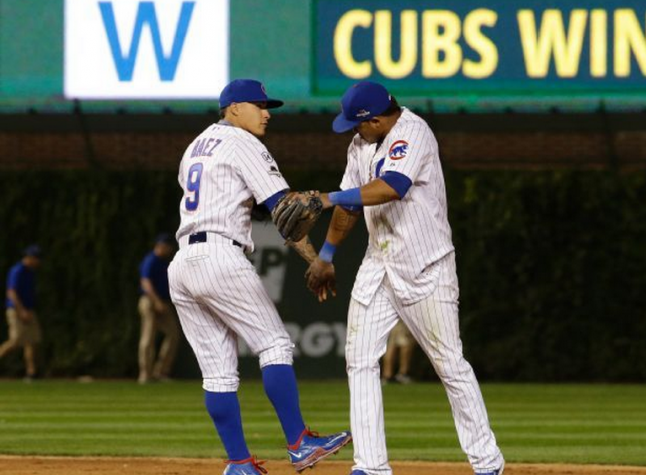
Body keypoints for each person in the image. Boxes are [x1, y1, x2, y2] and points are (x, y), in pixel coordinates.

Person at [305, 81, 505, 475]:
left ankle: (487, 462)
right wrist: (327, 255)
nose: (352, 131)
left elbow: (391, 187)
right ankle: (370, 466)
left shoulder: (413, 132)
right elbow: (352, 201)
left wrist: (327, 198)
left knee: (449, 364)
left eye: (357, 124)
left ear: (377, 120)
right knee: (359, 359)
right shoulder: (360, 145)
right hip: (379, 264)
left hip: (425, 266)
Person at [167, 79, 351, 475]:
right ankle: (299, 442)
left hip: (183, 263)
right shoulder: (243, 143)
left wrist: (309, 256)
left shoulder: (195, 147)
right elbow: (286, 210)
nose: (267, 113)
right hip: (220, 255)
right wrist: (319, 258)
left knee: (217, 372)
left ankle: (238, 463)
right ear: (233, 108)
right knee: (275, 346)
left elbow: (274, 216)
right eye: (259, 105)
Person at [137, 233, 180, 384]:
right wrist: (156, 302)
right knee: (148, 338)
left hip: (163, 302)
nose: (167, 249)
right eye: (165, 246)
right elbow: (145, 283)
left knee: (173, 335)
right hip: (150, 301)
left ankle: (160, 372)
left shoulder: (165, 262)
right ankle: (145, 374)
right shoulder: (151, 260)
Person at [0, 245, 43, 381]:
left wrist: (29, 310)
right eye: (36, 258)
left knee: (32, 341)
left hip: (28, 310)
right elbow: (12, 292)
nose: (38, 261)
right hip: (16, 309)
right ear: (30, 257)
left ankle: (31, 372)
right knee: (15, 340)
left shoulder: (30, 272)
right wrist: (21, 311)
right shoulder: (17, 271)